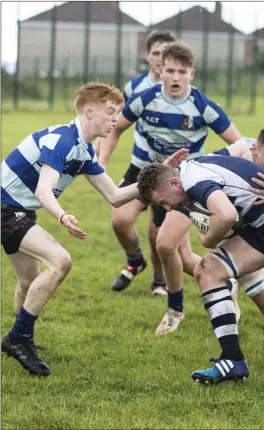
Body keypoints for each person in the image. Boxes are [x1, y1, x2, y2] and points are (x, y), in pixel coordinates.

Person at [99, 41, 242, 333]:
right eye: (170, 70)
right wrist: (102, 162)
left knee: (164, 244)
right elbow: (115, 129)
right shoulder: (145, 98)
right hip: (145, 172)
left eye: (182, 71)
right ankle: (223, 279)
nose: (175, 77)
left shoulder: (203, 106)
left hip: (183, 183)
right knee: (124, 219)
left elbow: (239, 144)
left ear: (192, 74)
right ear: (159, 70)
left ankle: (175, 309)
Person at [1, 82, 142, 377]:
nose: (117, 119)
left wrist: (151, 182)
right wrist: (63, 216)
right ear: (90, 112)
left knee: (29, 281)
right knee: (60, 260)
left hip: (16, 210)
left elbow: (115, 197)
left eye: (118, 113)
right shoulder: (62, 140)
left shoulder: (83, 149)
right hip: (5, 208)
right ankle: (19, 338)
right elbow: (43, 191)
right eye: (111, 112)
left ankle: (19, 339)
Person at [136, 153, 264, 384]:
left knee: (210, 269)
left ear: (174, 183)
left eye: (165, 201)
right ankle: (232, 359)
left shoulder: (194, 179)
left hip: (259, 227)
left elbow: (226, 215)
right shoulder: (186, 177)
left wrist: (208, 241)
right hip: (256, 230)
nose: (168, 208)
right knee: (208, 271)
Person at [97, 30, 176, 296]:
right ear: (148, 56)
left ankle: (159, 282)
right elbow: (117, 123)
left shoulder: (180, 91)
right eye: (156, 53)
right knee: (119, 219)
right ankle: (134, 261)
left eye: (166, 53)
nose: (160, 58)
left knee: (158, 235)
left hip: (169, 172)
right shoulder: (134, 88)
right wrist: (102, 155)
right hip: (140, 166)